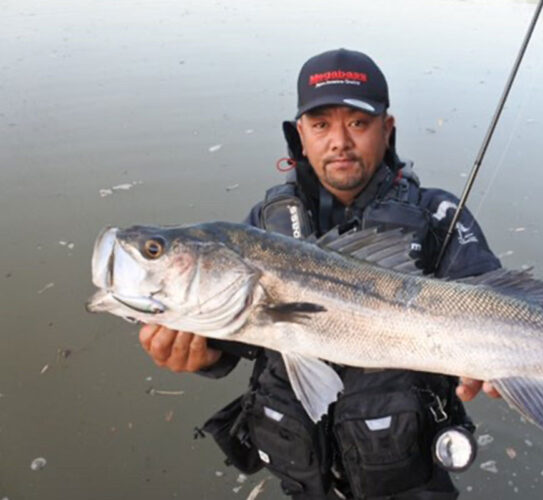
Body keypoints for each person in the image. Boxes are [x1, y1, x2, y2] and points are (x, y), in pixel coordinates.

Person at [139, 48, 501, 499]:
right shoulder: (264, 227)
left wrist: (494, 364)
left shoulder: (438, 217)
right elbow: (239, 337)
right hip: (303, 473)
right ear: (300, 137)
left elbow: (494, 300)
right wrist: (205, 357)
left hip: (411, 474)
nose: (339, 142)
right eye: (321, 124)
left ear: (387, 130)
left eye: (358, 123)